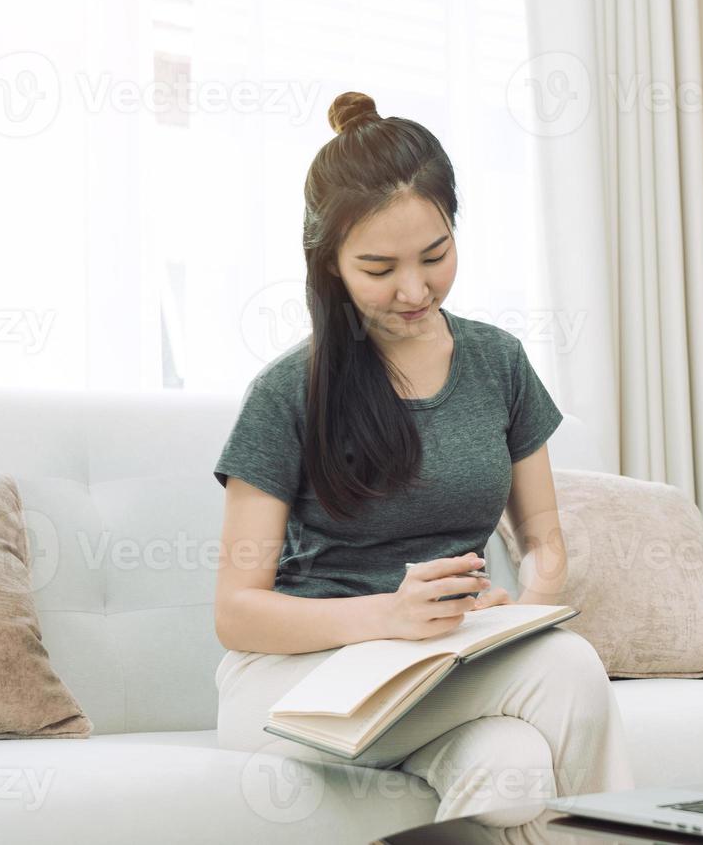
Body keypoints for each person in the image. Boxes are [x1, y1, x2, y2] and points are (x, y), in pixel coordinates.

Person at [211, 90, 635, 828]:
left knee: (513, 768)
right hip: (294, 682)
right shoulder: (287, 392)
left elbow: (544, 545)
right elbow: (237, 612)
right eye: (379, 267)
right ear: (330, 265)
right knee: (568, 669)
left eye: (435, 256)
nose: (416, 290)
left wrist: (521, 620)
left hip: (441, 666)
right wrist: (392, 617)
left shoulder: (497, 362)